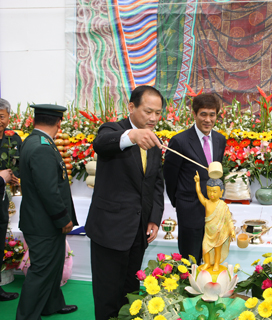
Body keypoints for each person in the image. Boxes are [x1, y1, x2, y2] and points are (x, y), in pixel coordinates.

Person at [85, 85, 165, 320]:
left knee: (130, 295)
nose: (153, 118)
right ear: (131, 107)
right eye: (148, 111)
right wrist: (131, 136)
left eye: (158, 113)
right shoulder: (114, 130)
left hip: (138, 231)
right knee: (107, 295)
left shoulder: (153, 140)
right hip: (110, 230)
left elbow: (156, 183)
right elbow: (101, 143)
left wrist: (154, 217)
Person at [16, 104, 78, 319]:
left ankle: (51, 304)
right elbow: (48, 190)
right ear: (59, 122)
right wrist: (63, 219)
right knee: (41, 271)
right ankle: (27, 316)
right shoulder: (42, 146)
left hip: (41, 220)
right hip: (44, 222)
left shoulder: (34, 141)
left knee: (52, 267)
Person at [163, 93, 226, 264]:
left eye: (212, 114)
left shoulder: (220, 139)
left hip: (213, 212)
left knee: (211, 259)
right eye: (203, 114)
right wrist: (180, 202)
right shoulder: (180, 141)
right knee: (190, 260)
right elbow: (170, 176)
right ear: (194, 114)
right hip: (189, 210)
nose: (208, 119)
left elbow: (218, 171)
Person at [0, 97, 22, 312]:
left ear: (9, 117)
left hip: (1, 200)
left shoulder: (14, 138)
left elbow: (20, 163)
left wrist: (17, 177)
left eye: (1, 116)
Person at [194, 172, 235, 271]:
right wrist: (197, 182)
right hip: (208, 233)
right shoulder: (207, 203)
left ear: (221, 192)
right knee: (205, 249)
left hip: (219, 233)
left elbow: (228, 220)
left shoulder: (223, 206)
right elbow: (199, 193)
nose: (211, 194)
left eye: (214, 191)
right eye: (209, 191)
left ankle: (216, 263)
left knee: (217, 250)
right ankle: (207, 263)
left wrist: (232, 230)